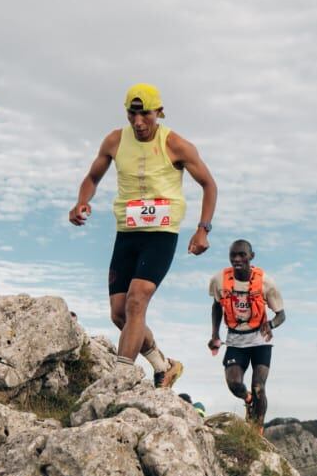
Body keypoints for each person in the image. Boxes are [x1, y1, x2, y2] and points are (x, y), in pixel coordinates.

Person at [69, 83, 217, 388]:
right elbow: (93, 176)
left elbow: (209, 185)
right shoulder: (114, 140)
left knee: (137, 302)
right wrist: (82, 200)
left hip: (161, 233)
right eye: (132, 114)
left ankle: (120, 379)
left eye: (145, 114)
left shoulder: (176, 144)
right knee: (120, 314)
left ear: (159, 112)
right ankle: (164, 366)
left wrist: (203, 229)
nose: (138, 122)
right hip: (127, 232)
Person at [209, 239, 285, 429]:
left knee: (259, 387)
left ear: (251, 256)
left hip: (260, 339)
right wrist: (215, 334)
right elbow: (217, 306)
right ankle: (248, 400)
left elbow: (281, 315)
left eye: (242, 254)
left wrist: (271, 324)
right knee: (234, 384)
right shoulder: (219, 280)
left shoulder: (266, 282)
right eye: (233, 255)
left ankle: (256, 429)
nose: (237, 259)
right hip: (235, 340)